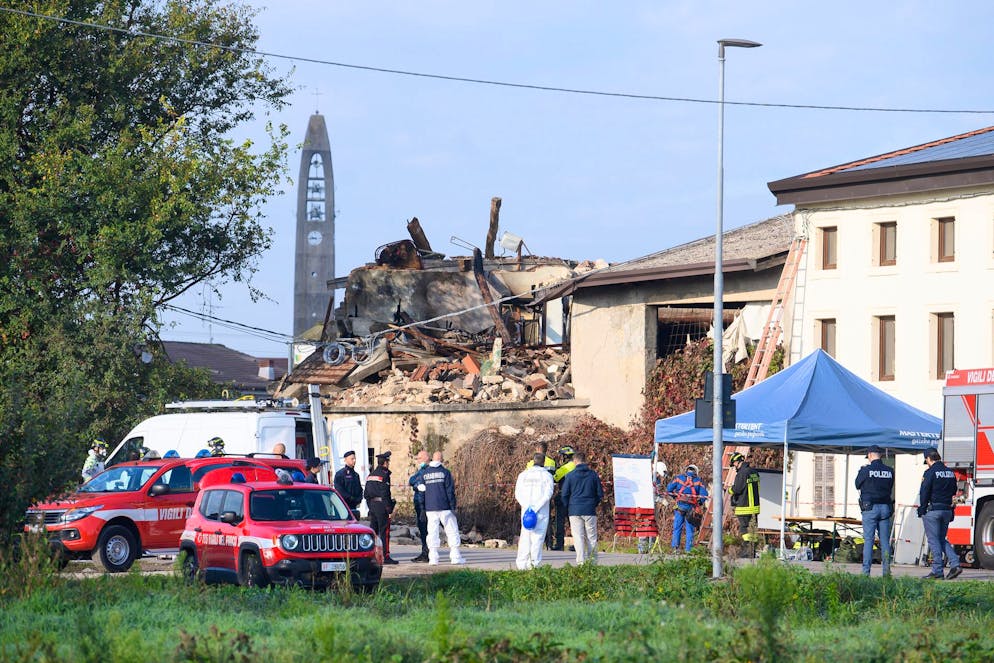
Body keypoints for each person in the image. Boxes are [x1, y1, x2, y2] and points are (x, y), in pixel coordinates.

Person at [918, 449, 962, 579]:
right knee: (941, 539)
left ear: (928, 459)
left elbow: (924, 492)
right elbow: (954, 491)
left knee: (933, 540)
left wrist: (922, 508)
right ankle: (955, 564)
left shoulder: (929, 472)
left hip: (933, 511)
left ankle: (937, 570)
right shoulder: (950, 473)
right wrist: (952, 510)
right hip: (947, 510)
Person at [418, 451, 465, 565]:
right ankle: (455, 556)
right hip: (445, 507)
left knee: (432, 532)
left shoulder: (424, 474)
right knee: (451, 530)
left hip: (430, 508)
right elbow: (450, 491)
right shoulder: (445, 472)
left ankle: (433, 558)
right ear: (441, 459)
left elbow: (421, 492)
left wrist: (422, 507)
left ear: (433, 459)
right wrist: (453, 506)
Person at [855, 445, 894, 576]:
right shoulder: (890, 471)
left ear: (870, 455)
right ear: (880, 455)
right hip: (885, 508)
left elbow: (857, 484)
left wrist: (861, 472)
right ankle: (886, 573)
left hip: (870, 508)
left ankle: (866, 573)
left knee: (869, 540)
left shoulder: (866, 470)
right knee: (884, 541)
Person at [560, 451, 604, 565]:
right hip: (589, 509)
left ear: (575, 461)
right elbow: (600, 494)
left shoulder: (570, 476)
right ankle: (593, 562)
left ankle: (580, 562)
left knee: (578, 537)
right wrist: (593, 504)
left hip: (574, 510)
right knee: (592, 537)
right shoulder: (593, 475)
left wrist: (569, 506)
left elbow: (564, 494)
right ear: (585, 461)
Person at [515, 452, 555, 569]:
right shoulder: (547, 476)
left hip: (526, 511)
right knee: (537, 538)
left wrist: (528, 507)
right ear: (543, 463)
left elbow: (518, 493)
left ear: (533, 461)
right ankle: (534, 564)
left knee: (525, 537)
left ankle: (521, 564)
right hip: (540, 511)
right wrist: (536, 507)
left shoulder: (523, 475)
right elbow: (548, 493)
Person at [364, 451, 398, 564]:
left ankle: (371, 554)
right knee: (385, 531)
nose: (389, 464)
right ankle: (385, 556)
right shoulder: (384, 475)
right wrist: (388, 508)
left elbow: (366, 494)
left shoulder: (370, 475)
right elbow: (385, 493)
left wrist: (370, 506)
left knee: (373, 531)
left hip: (372, 506)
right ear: (385, 463)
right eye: (388, 462)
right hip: (382, 506)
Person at [666, 464, 709, 553]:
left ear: (686, 470)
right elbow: (704, 495)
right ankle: (688, 550)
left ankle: (675, 548)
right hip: (691, 508)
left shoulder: (679, 478)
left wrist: (675, 498)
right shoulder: (699, 481)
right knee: (690, 529)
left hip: (680, 507)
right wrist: (699, 503)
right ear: (696, 472)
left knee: (677, 527)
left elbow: (669, 489)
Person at [728, 452, 760, 557]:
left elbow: (737, 489)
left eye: (734, 464)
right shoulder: (754, 472)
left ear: (738, 462)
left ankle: (746, 551)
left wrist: (729, 490)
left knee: (744, 529)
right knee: (753, 530)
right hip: (755, 507)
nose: (734, 467)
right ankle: (752, 551)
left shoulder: (742, 474)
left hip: (744, 507)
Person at [550, 446, 576, 551]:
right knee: (573, 521)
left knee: (559, 521)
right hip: (574, 497)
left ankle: (559, 544)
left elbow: (555, 478)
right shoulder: (576, 466)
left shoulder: (565, 467)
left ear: (565, 456)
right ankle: (576, 544)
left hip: (563, 497)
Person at [407, 450, 431, 563]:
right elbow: (411, 480)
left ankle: (426, 553)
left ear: (426, 458)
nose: (418, 461)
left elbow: (417, 481)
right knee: (422, 529)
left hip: (425, 504)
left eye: (420, 458)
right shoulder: (421, 470)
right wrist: (416, 485)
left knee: (425, 529)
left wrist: (416, 485)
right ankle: (425, 551)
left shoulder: (428, 470)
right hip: (419, 503)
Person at [334, 450, 364, 514]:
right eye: (352, 459)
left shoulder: (356, 475)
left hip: (354, 505)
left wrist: (359, 498)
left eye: (355, 459)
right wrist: (350, 498)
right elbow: (339, 489)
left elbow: (359, 488)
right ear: (346, 460)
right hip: (344, 505)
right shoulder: (340, 474)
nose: (354, 461)